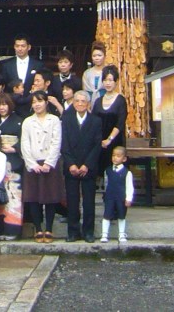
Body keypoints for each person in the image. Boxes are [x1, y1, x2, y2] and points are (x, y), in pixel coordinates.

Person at [20, 90, 63, 241]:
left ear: (46, 102)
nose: (37, 105)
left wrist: (49, 163)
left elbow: (56, 142)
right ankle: (38, 228)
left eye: (39, 101)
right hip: (33, 163)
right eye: (34, 102)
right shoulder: (27, 121)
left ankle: (49, 228)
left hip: (49, 163)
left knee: (50, 197)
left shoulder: (54, 120)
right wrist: (32, 164)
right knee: (33, 197)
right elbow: (24, 144)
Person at [61, 90, 103, 242]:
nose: (79, 104)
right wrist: (71, 164)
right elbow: (63, 144)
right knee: (72, 201)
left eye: (83, 101)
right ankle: (73, 232)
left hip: (88, 166)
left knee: (89, 201)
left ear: (88, 104)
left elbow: (97, 145)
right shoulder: (66, 119)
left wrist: (87, 165)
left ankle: (88, 232)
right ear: (73, 103)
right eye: (77, 101)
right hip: (71, 165)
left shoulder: (96, 121)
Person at [0, 93, 23, 240]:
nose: (1, 107)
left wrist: (15, 148)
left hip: (13, 161)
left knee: (13, 196)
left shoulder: (19, 121)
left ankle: (13, 230)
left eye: (4, 104)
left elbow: (25, 139)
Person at [91, 65, 128, 172]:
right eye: (105, 80)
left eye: (110, 80)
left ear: (116, 82)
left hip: (115, 141)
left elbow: (120, 123)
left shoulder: (120, 100)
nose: (108, 83)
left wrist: (109, 139)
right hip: (100, 142)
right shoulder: (98, 100)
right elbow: (93, 121)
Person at [100, 145, 134, 243]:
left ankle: (122, 233)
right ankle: (104, 233)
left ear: (124, 159)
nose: (115, 158)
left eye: (118, 156)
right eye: (113, 155)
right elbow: (106, 183)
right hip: (110, 196)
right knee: (107, 214)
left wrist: (129, 198)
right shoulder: (108, 170)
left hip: (121, 197)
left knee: (121, 215)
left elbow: (129, 186)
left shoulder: (127, 172)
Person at [82, 41, 107, 106]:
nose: (97, 58)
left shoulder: (108, 72)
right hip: (90, 105)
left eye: (99, 55)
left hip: (106, 103)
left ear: (104, 56)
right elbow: (85, 92)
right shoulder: (87, 73)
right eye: (94, 56)